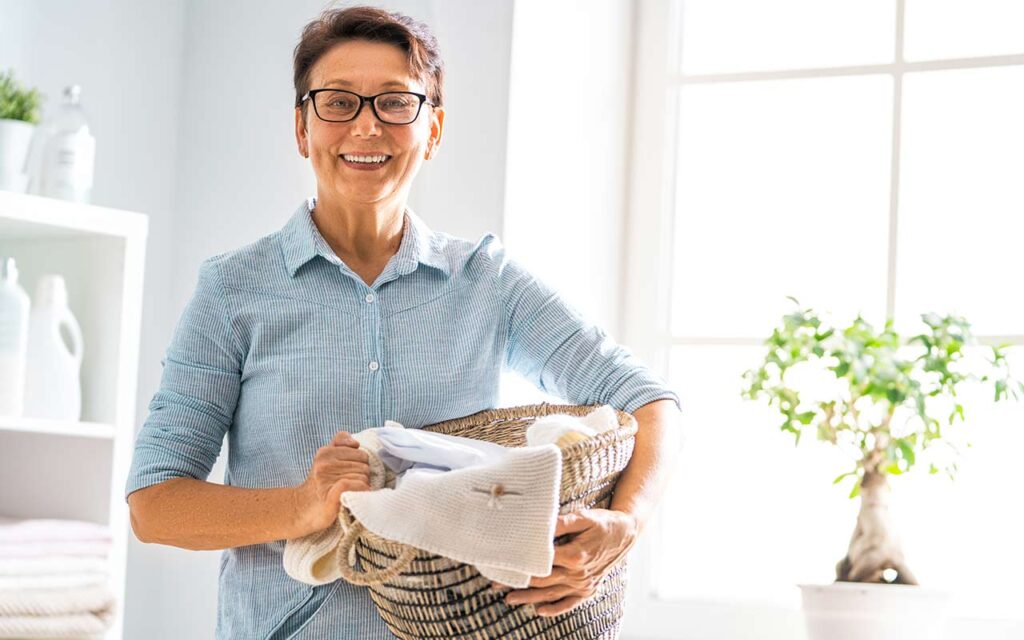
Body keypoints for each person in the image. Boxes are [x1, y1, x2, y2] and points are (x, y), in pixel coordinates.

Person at [124, 6, 682, 639]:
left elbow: (651, 400)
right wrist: (305, 506)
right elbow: (155, 505)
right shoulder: (232, 291)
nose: (366, 127)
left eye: (395, 103)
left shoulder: (487, 282)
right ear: (303, 128)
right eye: (338, 103)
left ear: (433, 129)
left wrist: (625, 525)